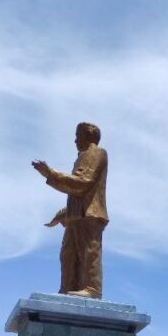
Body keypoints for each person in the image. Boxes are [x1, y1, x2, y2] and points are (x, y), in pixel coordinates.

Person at [32, 121, 108, 299]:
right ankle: (67, 290)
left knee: (89, 252)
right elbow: (78, 194)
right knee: (68, 255)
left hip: (89, 215)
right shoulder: (83, 156)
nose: (75, 141)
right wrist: (63, 213)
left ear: (88, 136)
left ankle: (92, 288)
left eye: (77, 136)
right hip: (76, 215)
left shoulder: (96, 152)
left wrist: (51, 173)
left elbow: (83, 183)